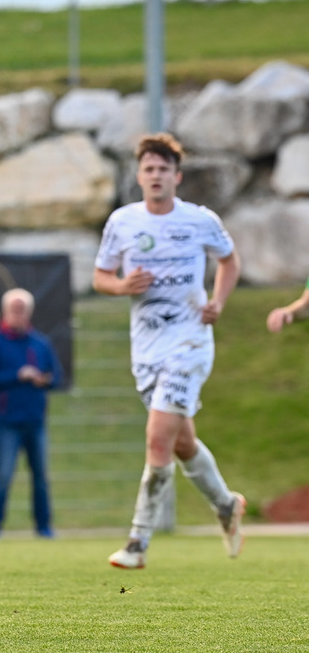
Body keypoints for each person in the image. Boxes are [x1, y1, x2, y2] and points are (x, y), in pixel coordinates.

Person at [93, 132, 245, 570]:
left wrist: (218, 301)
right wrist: (122, 285)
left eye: (164, 169)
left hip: (191, 342)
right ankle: (226, 504)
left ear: (177, 176)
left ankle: (137, 542)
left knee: (158, 437)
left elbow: (230, 261)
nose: (156, 176)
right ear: (139, 177)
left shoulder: (200, 220)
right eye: (149, 169)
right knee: (181, 442)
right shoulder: (123, 222)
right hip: (147, 349)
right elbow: (101, 277)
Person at [0, 288, 63, 540]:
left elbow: (56, 377)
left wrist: (43, 380)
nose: (18, 314)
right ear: (5, 311)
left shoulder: (40, 343)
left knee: (41, 478)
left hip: (36, 421)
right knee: (3, 476)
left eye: (22, 309)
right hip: (7, 422)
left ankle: (44, 528)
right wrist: (18, 375)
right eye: (14, 309)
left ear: (29, 312)